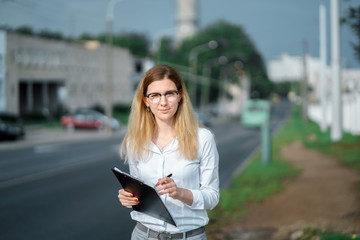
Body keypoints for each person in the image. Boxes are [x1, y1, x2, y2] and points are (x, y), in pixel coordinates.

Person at [118, 65, 219, 240]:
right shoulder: (135, 141)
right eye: (155, 95)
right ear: (145, 100)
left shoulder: (203, 138)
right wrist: (129, 198)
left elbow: (212, 197)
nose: (163, 102)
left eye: (169, 94)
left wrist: (181, 193)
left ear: (180, 96)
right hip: (143, 235)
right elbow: (139, 194)